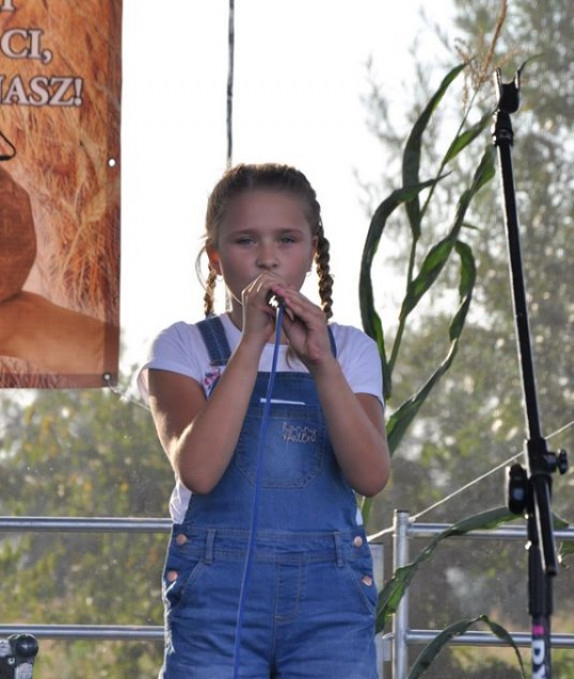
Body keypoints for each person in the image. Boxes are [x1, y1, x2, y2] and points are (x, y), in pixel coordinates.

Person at [140, 163, 391, 678]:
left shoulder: (349, 350)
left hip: (331, 599)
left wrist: (321, 363)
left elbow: (371, 476)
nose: (268, 257)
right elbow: (200, 471)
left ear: (312, 251)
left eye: (287, 239)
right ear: (215, 256)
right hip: (216, 598)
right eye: (246, 241)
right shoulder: (183, 347)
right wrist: (252, 342)